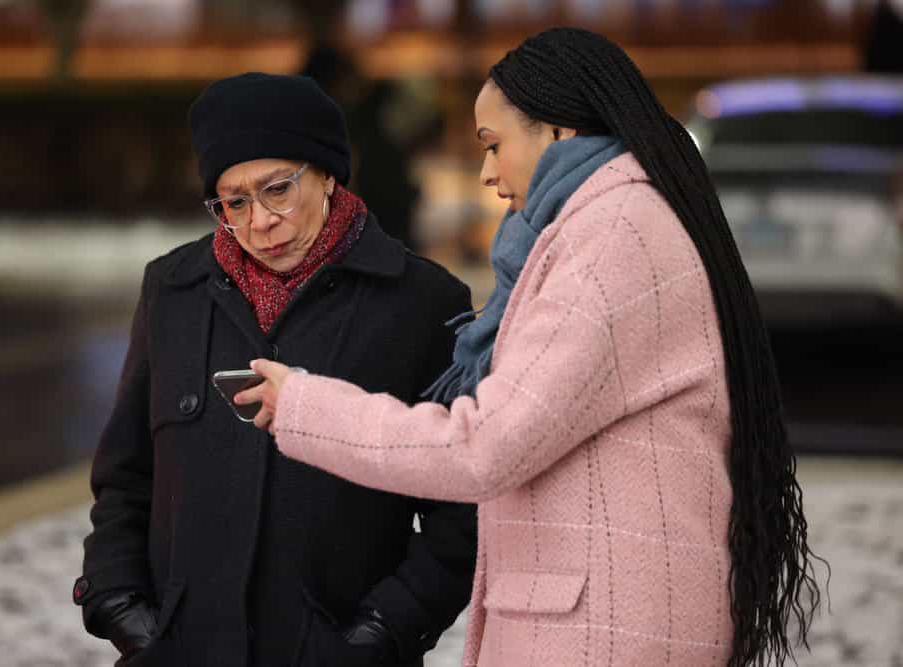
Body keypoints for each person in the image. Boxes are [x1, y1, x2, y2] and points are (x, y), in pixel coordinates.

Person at [238, 29, 824, 667]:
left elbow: (488, 445)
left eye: (494, 145)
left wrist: (304, 405)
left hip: (606, 633)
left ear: (558, 133)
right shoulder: (606, 223)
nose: (487, 172)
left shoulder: (610, 237)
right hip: (605, 619)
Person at [74, 72, 478, 667]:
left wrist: (381, 631)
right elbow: (126, 474)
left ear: (327, 175)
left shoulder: (423, 303)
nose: (259, 220)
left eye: (278, 190)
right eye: (234, 201)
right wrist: (122, 606)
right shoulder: (172, 289)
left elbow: (462, 508)